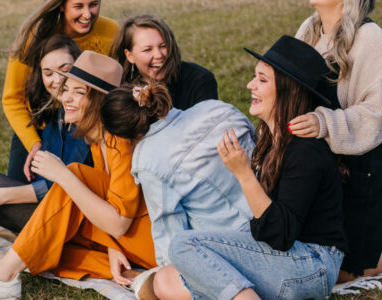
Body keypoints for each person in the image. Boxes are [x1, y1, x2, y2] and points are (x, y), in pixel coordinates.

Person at [151, 36, 348, 300]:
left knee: (184, 245)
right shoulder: (270, 140)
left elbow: (280, 235)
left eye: (262, 80)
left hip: (312, 264)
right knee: (165, 280)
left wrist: (243, 173)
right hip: (284, 258)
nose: (250, 85)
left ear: (289, 90)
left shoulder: (305, 150)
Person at [0, 51, 156, 300]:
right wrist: (112, 247)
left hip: (152, 241)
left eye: (79, 93)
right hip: (125, 239)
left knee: (74, 175)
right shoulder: (96, 138)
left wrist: (62, 175)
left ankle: (2, 276)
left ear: (100, 102)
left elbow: (119, 222)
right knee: (49, 247)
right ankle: (135, 276)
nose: (66, 98)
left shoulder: (120, 141)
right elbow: (106, 203)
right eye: (67, 89)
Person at [100, 78, 255, 298]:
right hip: (271, 215)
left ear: (124, 136)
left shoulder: (148, 160)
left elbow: (171, 234)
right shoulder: (215, 107)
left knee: (156, 284)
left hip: (231, 247)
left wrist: (164, 275)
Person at [289, 0, 382, 281]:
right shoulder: (308, 30)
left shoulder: (371, 38)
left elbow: (376, 113)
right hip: (316, 166)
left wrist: (324, 123)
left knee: (348, 273)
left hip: (359, 171)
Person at [0, 34, 92, 233]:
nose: (58, 80)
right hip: (53, 208)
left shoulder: (86, 119)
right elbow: (42, 176)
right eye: (49, 73)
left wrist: (2, 196)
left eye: (66, 70)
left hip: (77, 222)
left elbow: (64, 185)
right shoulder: (56, 116)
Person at [3, 0, 119, 183]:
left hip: (85, 127)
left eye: (93, 4)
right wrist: (34, 144)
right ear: (61, 5)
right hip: (38, 128)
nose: (87, 14)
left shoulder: (111, 32)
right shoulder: (34, 37)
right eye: (78, 6)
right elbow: (12, 100)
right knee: (13, 189)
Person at [111, 14, 218, 110]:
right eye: (147, 49)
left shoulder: (199, 80)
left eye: (163, 46)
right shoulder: (121, 92)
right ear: (130, 56)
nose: (159, 55)